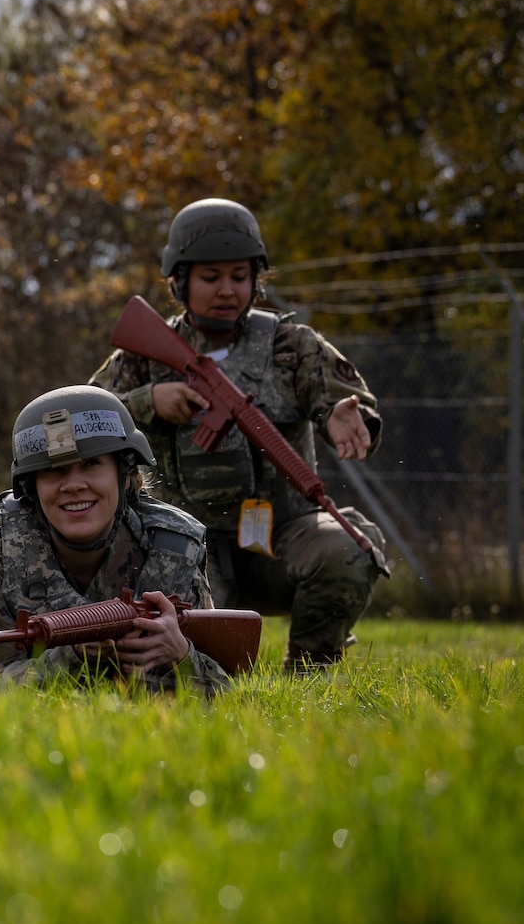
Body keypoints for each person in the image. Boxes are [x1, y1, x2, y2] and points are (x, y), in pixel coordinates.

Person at [91, 198, 386, 670]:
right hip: (183, 544)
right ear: (180, 282)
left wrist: (345, 417)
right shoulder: (142, 356)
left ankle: (310, 670)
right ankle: (200, 670)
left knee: (347, 548)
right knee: (184, 650)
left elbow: (344, 401)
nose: (227, 290)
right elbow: (84, 421)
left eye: (240, 276)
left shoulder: (292, 346)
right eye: (211, 278)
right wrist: (149, 401)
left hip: (282, 536)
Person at [0, 386, 231, 693]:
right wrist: (71, 658)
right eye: (53, 473)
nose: (73, 485)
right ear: (30, 489)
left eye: (92, 465)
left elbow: (228, 691)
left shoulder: (172, 550)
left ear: (126, 474)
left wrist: (179, 654)